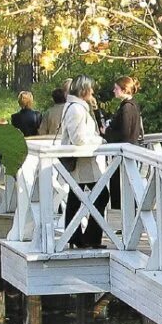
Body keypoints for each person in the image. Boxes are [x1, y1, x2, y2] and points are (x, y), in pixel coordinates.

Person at [58, 75, 108, 249]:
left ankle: (76, 237)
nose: (93, 92)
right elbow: (78, 139)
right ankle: (87, 238)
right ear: (84, 90)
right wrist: (99, 141)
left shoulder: (75, 107)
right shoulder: (76, 109)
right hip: (81, 161)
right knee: (100, 197)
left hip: (84, 162)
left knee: (76, 198)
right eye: (90, 88)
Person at [103, 76, 144, 211]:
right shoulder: (133, 105)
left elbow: (125, 132)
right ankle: (129, 218)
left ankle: (127, 218)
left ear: (124, 89)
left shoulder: (127, 107)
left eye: (116, 88)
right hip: (129, 151)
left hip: (124, 152)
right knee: (127, 185)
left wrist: (106, 132)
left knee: (123, 186)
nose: (114, 91)